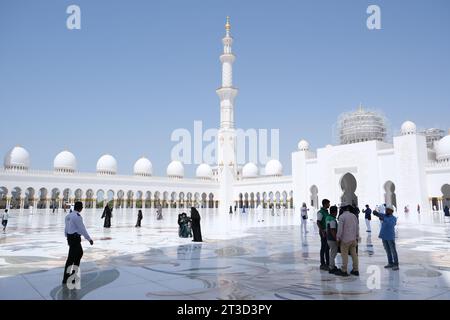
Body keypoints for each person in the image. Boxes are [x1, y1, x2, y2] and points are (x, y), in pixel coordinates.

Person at [62, 201, 93, 285]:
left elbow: (66, 228)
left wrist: (67, 237)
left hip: (70, 238)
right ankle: (71, 277)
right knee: (75, 256)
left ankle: (68, 276)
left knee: (75, 256)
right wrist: (89, 239)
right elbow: (82, 229)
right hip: (75, 239)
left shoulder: (68, 216)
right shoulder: (77, 216)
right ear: (80, 208)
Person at [336, 203, 360, 277]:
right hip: (353, 239)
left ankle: (344, 270)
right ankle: (356, 270)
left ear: (342, 209)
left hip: (345, 240)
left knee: (344, 255)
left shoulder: (342, 217)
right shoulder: (353, 216)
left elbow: (340, 229)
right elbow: (357, 227)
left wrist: (338, 238)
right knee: (354, 255)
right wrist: (357, 236)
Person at [373, 205, 399, 270]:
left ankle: (396, 264)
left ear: (391, 211)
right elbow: (379, 214)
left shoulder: (394, 218)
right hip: (384, 236)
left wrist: (384, 219)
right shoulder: (384, 215)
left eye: (388, 210)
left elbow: (391, 224)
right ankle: (390, 263)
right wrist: (375, 213)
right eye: (386, 209)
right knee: (387, 250)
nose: (386, 211)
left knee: (393, 251)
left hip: (390, 237)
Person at [316, 199, 330, 271]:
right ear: (325, 204)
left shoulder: (326, 212)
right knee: (323, 247)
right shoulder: (321, 212)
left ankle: (328, 263)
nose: (329, 205)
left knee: (327, 248)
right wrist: (322, 231)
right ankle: (322, 263)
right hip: (323, 232)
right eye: (328, 204)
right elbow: (318, 222)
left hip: (327, 232)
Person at [326, 205, 339, 274]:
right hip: (332, 239)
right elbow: (333, 230)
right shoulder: (332, 220)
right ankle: (331, 268)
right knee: (333, 254)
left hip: (328, 238)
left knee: (332, 253)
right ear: (335, 212)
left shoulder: (328, 217)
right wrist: (336, 239)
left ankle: (332, 266)